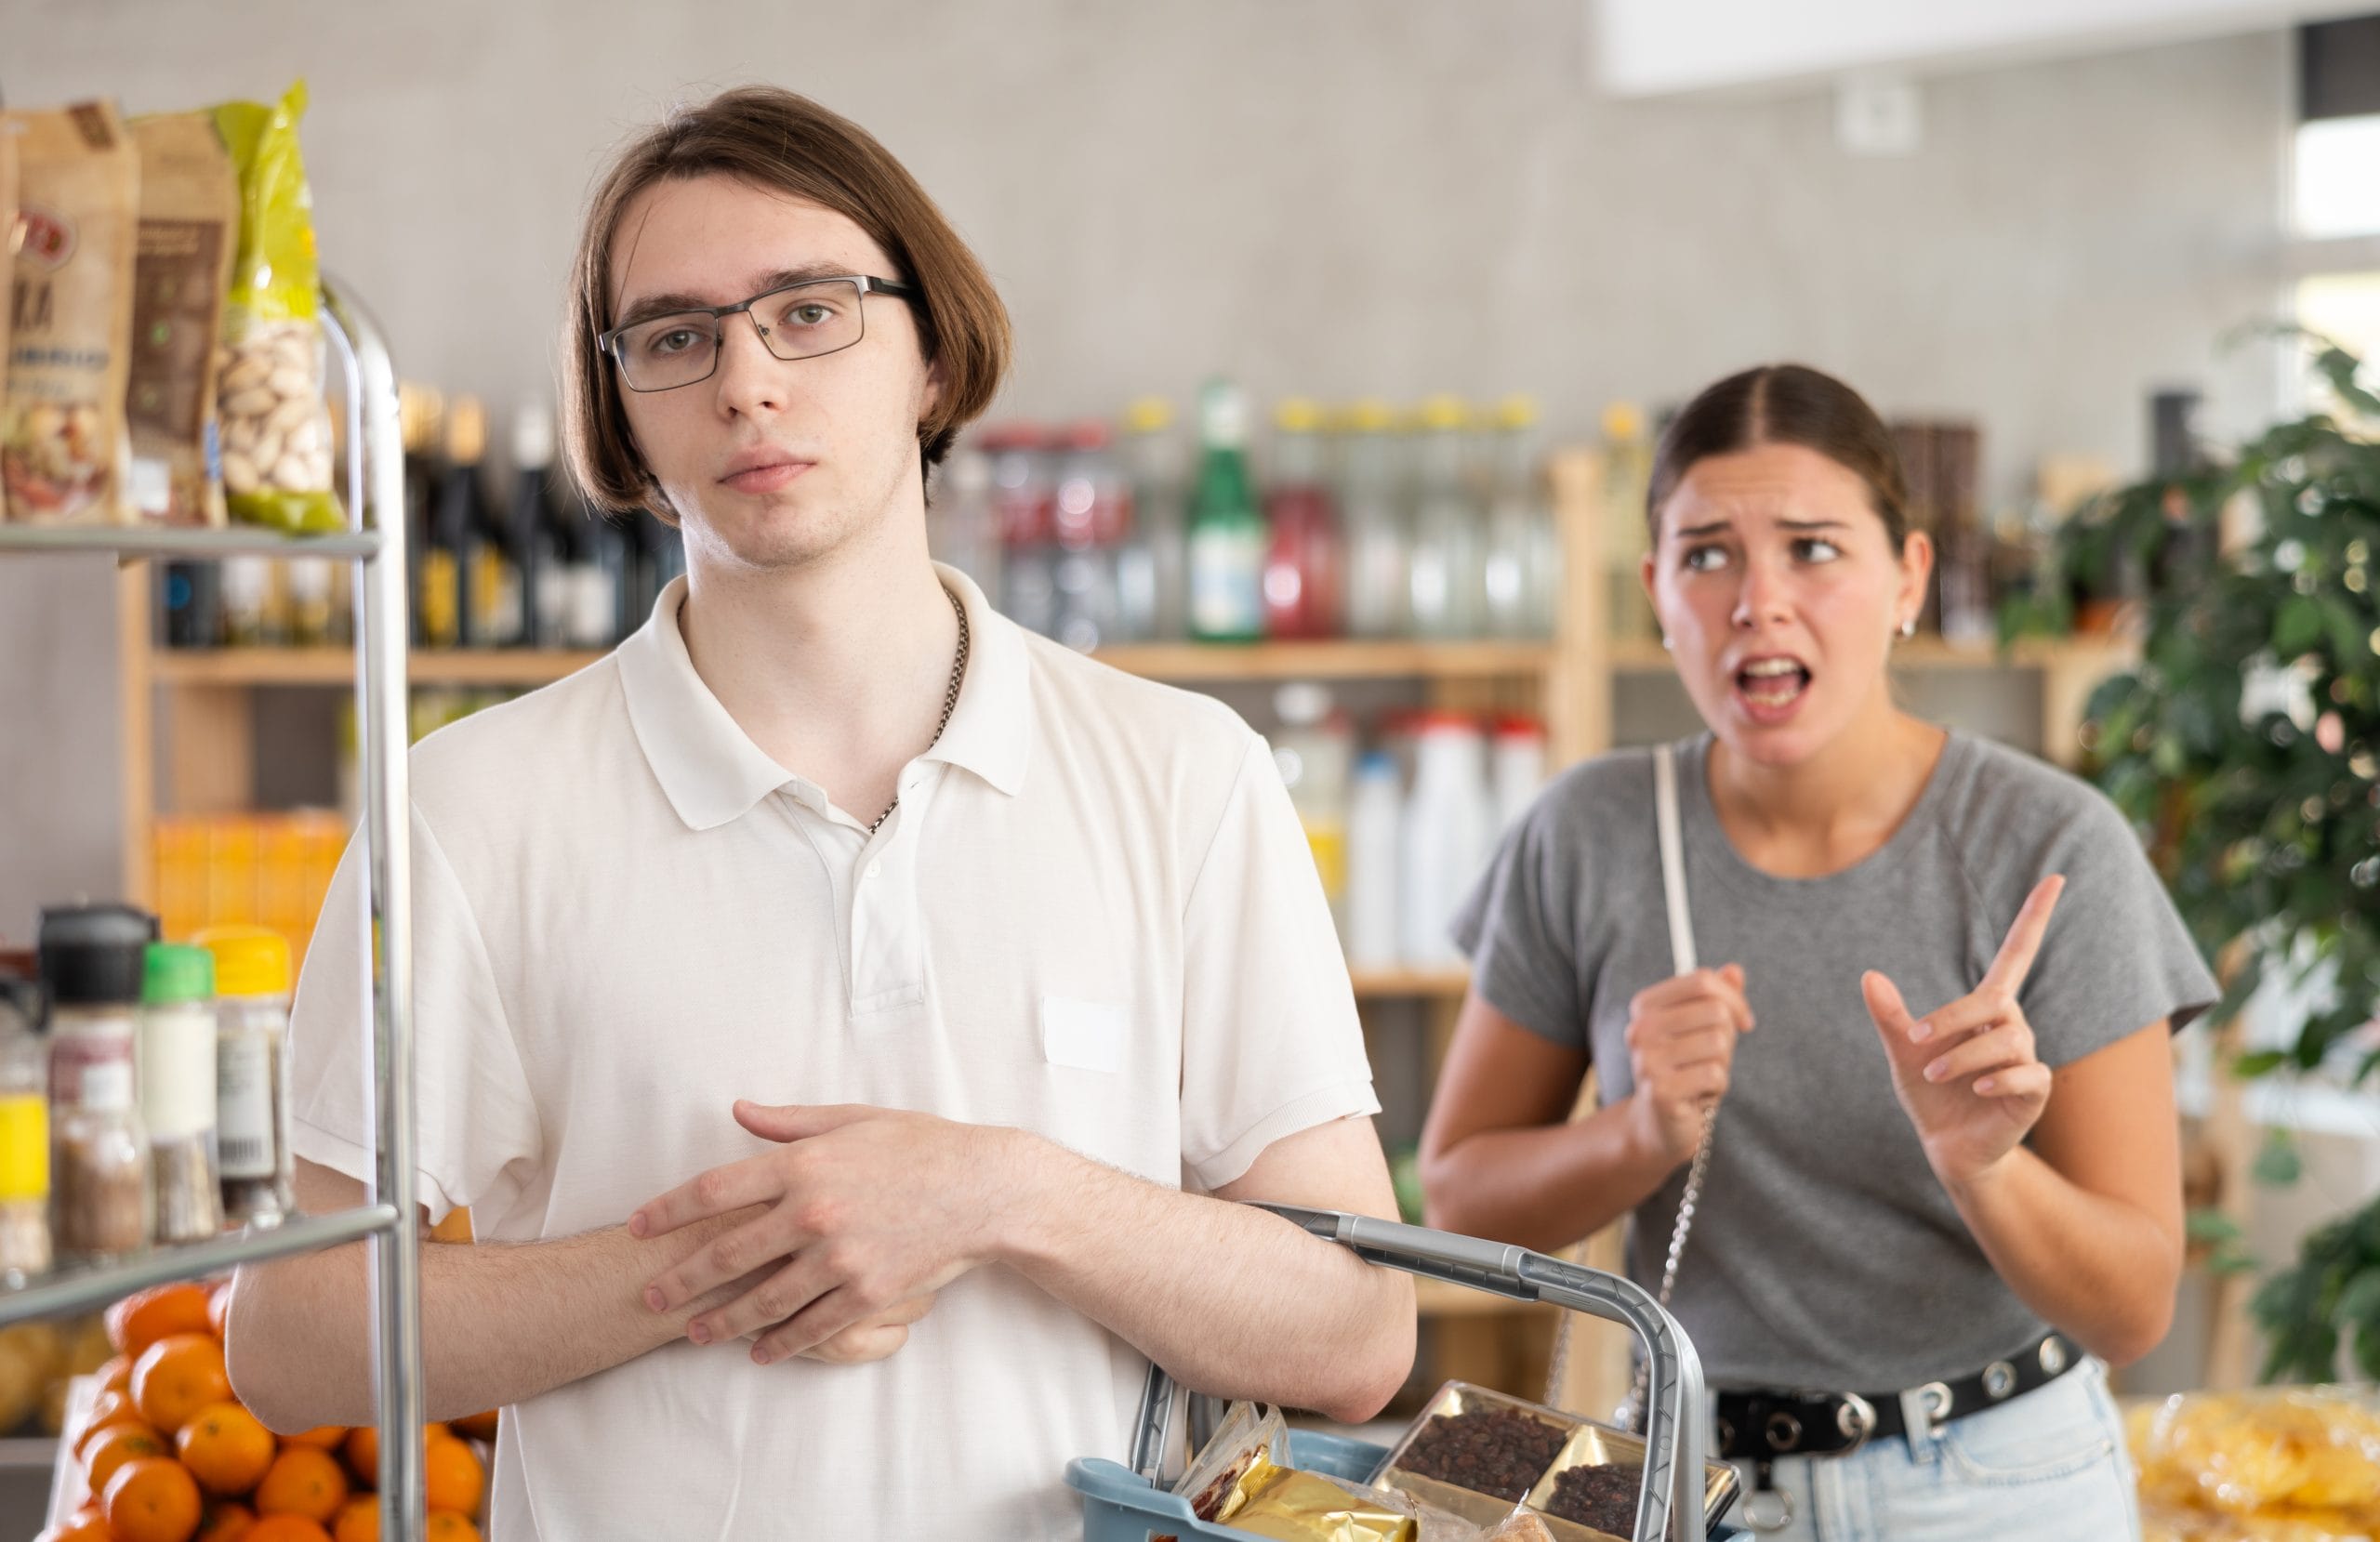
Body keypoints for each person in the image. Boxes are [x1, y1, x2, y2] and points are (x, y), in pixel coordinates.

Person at [226, 86, 1411, 1539]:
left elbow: (1358, 1337)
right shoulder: (466, 811)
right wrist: (747, 1255)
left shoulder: (1185, 774)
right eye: (675, 337)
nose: (745, 382)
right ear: (621, 409)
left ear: (932, 354)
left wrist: (998, 1193)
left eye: (808, 311)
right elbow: (287, 1333)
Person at [1419, 363, 2214, 1540]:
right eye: (1705, 555)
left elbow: (2135, 1308)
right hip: (1694, 1489)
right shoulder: (1586, 832)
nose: (1756, 600)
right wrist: (1634, 1136)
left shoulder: (2050, 845)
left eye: (1811, 549)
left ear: (1909, 578)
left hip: (1997, 1488)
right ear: (1655, 593)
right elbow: (1459, 1199)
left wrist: (1984, 1166)